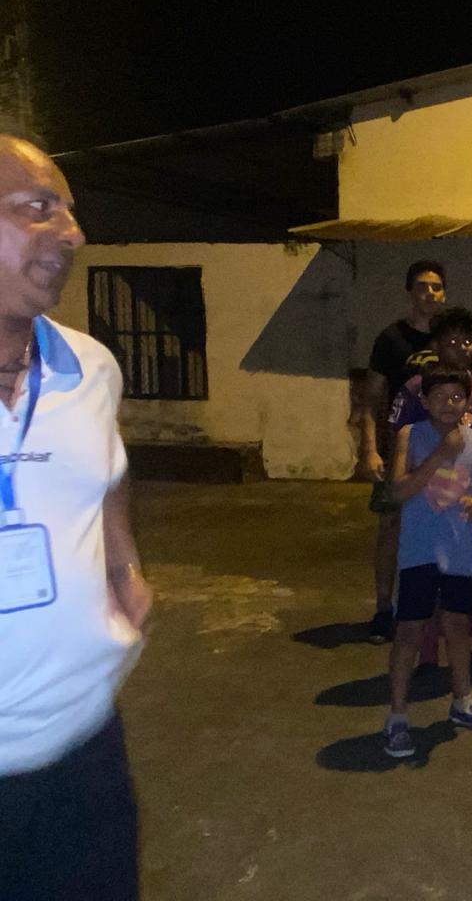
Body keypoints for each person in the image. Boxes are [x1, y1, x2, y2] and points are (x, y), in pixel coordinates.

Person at [0, 135, 152, 900]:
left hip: (85, 747)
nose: (72, 233)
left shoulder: (92, 367)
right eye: (39, 208)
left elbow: (108, 471)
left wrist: (123, 560)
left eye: (69, 210)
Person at [384, 368, 472, 757]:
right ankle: (397, 717)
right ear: (423, 400)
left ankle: (462, 701)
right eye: (438, 396)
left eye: (456, 397)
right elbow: (398, 491)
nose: (448, 404)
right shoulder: (410, 434)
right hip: (418, 551)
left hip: (459, 550)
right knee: (409, 632)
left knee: (457, 626)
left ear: (467, 401)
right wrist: (441, 453)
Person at [389, 306, 472, 659]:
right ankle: (429, 656)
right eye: (451, 341)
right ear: (436, 345)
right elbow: (402, 445)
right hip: (431, 507)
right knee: (430, 582)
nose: (461, 348)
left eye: (466, 341)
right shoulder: (416, 390)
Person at [357, 259, 447, 643]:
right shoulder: (390, 339)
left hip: (441, 448)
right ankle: (383, 607)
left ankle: (435, 609)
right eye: (422, 286)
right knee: (390, 526)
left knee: (441, 526)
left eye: (436, 287)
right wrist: (370, 449)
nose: (430, 293)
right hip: (399, 446)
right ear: (410, 292)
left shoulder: (450, 338)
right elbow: (370, 400)